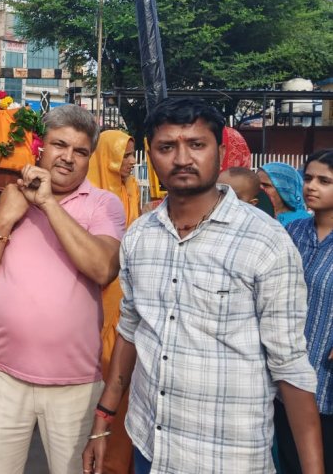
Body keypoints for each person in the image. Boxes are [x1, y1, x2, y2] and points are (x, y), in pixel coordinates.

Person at [83, 97, 323, 474]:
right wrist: (103, 421)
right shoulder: (140, 236)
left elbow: (290, 365)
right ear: (152, 155)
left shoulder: (265, 241)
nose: (182, 159)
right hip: (151, 445)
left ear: (221, 152)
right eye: (167, 147)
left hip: (228, 457)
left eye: (196, 144)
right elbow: (131, 331)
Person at [0, 104, 126, 474]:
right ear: (39, 146)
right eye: (59, 145)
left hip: (75, 385)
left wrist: (48, 203)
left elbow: (103, 268)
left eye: (80, 151)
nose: (68, 158)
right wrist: (5, 216)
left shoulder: (103, 203)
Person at [86, 130, 140, 474]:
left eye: (134, 155)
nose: (132, 163)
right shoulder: (93, 197)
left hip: (128, 294)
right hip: (100, 297)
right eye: (126, 155)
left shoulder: (132, 189)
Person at [276, 148, 333, 474]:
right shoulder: (292, 232)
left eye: (324, 181)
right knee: (289, 460)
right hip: (286, 376)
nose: (311, 186)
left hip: (327, 379)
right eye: (309, 178)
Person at [259, 161, 312, 226]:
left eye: (266, 185)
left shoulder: (303, 222)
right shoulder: (250, 213)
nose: (259, 188)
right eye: (257, 183)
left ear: (285, 190)